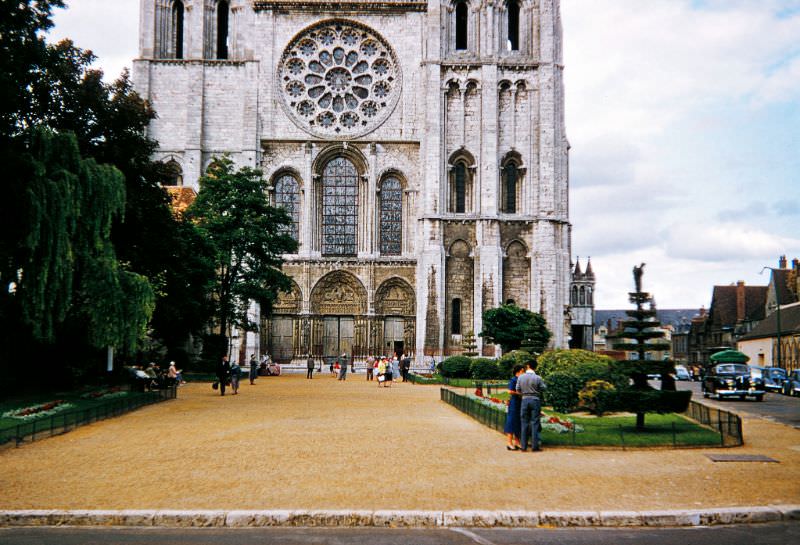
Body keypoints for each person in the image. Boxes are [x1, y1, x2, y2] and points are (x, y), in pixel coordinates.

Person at [516, 358, 546, 452]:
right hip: (535, 399)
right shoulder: (538, 378)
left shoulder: (521, 377)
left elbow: (518, 389)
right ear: (535, 367)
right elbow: (544, 388)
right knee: (535, 422)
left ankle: (523, 446)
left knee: (524, 422)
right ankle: (534, 446)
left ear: (528, 366)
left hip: (525, 399)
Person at [504, 365, 525, 450]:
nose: (524, 373)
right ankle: (509, 442)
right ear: (519, 371)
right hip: (514, 403)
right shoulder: (513, 380)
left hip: (520, 403)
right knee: (511, 422)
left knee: (518, 422)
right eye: (523, 371)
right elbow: (510, 391)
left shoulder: (521, 380)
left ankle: (517, 441)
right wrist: (519, 393)